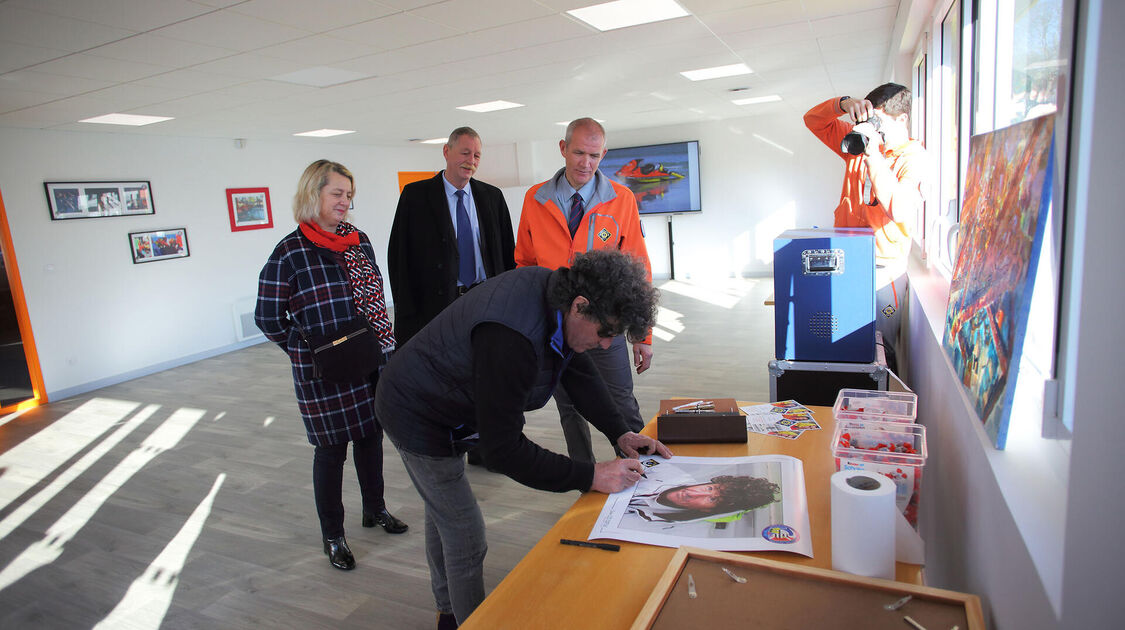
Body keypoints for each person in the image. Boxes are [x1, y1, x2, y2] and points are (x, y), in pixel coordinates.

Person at [373, 249, 673, 628]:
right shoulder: (510, 337)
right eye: (606, 332)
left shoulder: (559, 298)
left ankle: (447, 610)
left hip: (451, 400)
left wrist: (620, 432)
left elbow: (575, 366)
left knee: (445, 512)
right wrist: (591, 475)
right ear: (581, 307)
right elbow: (503, 450)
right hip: (415, 410)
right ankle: (466, 621)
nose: (607, 345)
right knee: (465, 534)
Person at [255, 160, 408, 572]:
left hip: (371, 359)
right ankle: (333, 535)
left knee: (371, 438)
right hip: (324, 373)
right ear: (313, 194)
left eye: (348, 194)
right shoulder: (289, 252)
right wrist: (308, 349)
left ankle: (374, 510)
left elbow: (375, 295)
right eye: (337, 193)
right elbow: (267, 318)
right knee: (331, 451)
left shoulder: (359, 240)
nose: (346, 201)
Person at [515, 117, 653, 465]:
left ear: (603, 153)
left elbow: (640, 269)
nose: (586, 163)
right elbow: (524, 264)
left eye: (594, 155)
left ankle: (638, 472)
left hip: (605, 326)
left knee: (621, 404)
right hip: (556, 326)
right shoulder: (536, 199)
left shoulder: (621, 200)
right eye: (578, 153)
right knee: (569, 408)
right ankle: (586, 481)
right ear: (563, 149)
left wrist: (643, 334)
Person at [803, 83, 930, 367]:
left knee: (880, 347)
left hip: (883, 270)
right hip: (847, 260)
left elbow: (897, 207)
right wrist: (843, 104)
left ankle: (881, 407)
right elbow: (812, 120)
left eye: (879, 122)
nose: (874, 129)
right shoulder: (856, 143)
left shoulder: (913, 159)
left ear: (902, 119)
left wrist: (873, 154)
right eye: (870, 120)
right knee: (845, 339)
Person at [387, 126, 516, 347]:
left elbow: (507, 253)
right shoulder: (415, 196)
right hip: (436, 306)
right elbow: (399, 259)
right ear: (446, 151)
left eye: (477, 155)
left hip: (485, 300)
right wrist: (406, 314)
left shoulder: (492, 197)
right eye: (465, 153)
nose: (471, 161)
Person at [627, 474, 780, 524]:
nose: (694, 493)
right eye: (710, 488)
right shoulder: (665, 474)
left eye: (712, 500)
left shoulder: (656, 523)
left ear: (706, 511)